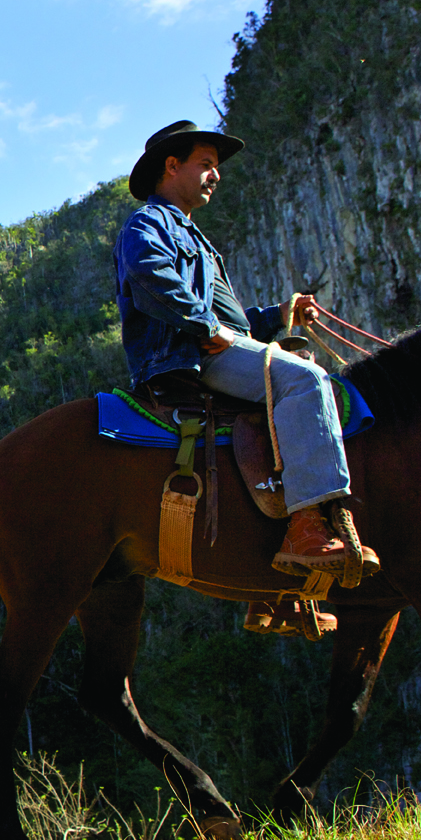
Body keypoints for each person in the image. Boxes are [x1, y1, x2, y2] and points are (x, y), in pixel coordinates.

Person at [116, 120, 373, 576]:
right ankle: (307, 527)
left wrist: (278, 315)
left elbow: (232, 323)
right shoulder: (149, 222)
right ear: (172, 166)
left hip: (213, 345)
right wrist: (204, 326)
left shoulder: (195, 238)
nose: (216, 175)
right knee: (306, 380)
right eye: (207, 164)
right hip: (189, 356)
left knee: (296, 386)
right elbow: (147, 276)